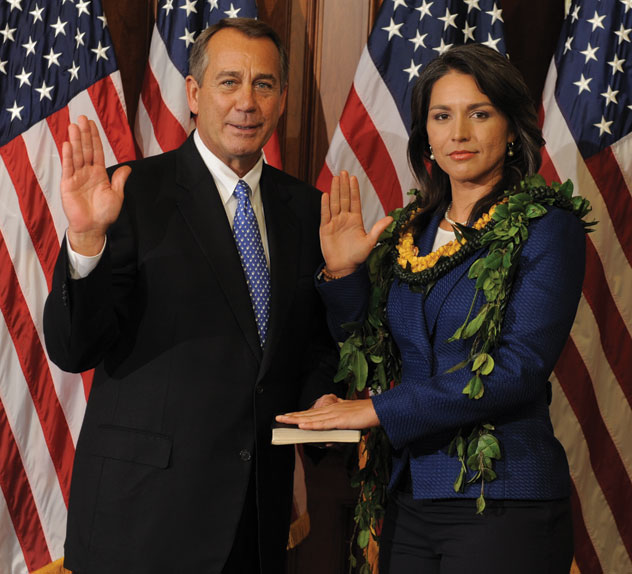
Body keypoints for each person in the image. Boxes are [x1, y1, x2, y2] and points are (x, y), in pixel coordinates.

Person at [276, 44, 588, 573]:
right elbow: (370, 351)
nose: (458, 133)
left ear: (512, 129)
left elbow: (517, 369)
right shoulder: (410, 232)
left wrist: (377, 410)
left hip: (502, 498)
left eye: (479, 114)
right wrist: (344, 272)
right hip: (410, 493)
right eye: (442, 116)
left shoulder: (546, 226)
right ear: (425, 135)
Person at [43, 18, 338, 574]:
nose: (246, 102)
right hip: (142, 522)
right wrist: (85, 241)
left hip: (254, 524)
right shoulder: (128, 194)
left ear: (281, 100)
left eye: (264, 85)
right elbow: (73, 348)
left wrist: (321, 396)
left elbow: (310, 346)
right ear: (195, 94)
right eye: (229, 82)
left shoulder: (308, 209)